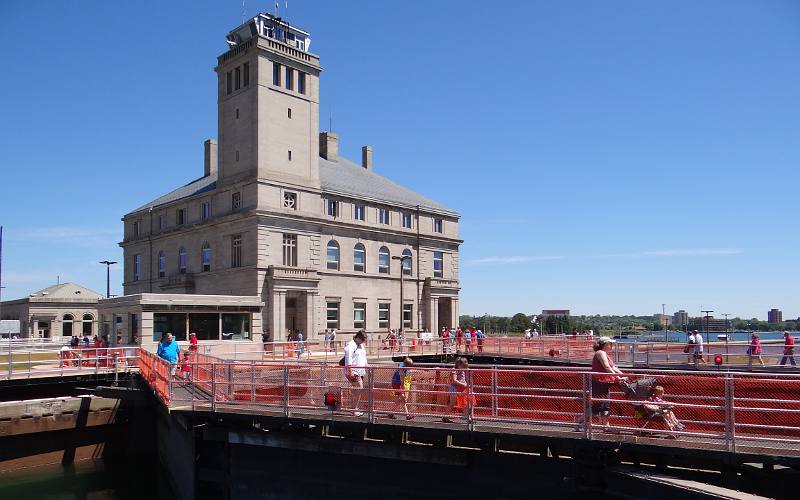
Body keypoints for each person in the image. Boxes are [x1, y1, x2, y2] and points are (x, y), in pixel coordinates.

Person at [588, 337, 626, 427]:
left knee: (605, 405)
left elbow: (613, 367)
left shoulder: (604, 354)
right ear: (605, 344)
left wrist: (624, 375)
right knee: (596, 406)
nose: (611, 346)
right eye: (610, 344)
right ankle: (578, 422)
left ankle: (606, 426)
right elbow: (607, 367)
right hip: (599, 383)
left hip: (605, 383)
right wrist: (618, 378)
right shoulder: (600, 353)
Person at [343, 331, 368, 416]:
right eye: (362, 339)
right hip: (353, 370)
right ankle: (353, 408)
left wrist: (367, 366)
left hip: (360, 371)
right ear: (358, 337)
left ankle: (354, 407)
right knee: (359, 388)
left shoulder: (361, 346)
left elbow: (364, 357)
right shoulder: (351, 345)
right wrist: (350, 371)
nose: (363, 341)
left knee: (357, 390)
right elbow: (348, 357)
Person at [443, 357, 474, 423]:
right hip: (454, 387)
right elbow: (454, 380)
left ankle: (467, 417)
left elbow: (464, 378)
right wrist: (463, 384)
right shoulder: (454, 369)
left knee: (466, 401)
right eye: (463, 366)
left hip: (461, 387)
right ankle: (445, 416)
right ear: (459, 365)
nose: (464, 368)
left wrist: (465, 383)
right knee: (453, 402)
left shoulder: (462, 369)